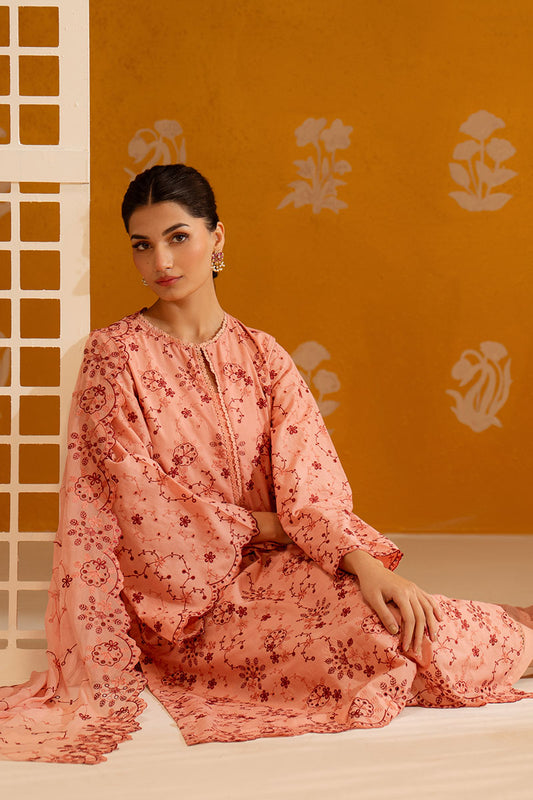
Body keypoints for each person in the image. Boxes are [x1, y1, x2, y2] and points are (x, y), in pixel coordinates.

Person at [1, 164, 532, 764]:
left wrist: (364, 564)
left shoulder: (262, 355)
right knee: (372, 646)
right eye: (142, 245)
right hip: (185, 612)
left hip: (284, 569)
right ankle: (511, 632)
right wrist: (263, 526)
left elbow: (312, 486)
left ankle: (512, 630)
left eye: (178, 237)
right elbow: (135, 505)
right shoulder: (115, 356)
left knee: (384, 614)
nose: (161, 261)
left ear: (216, 237)